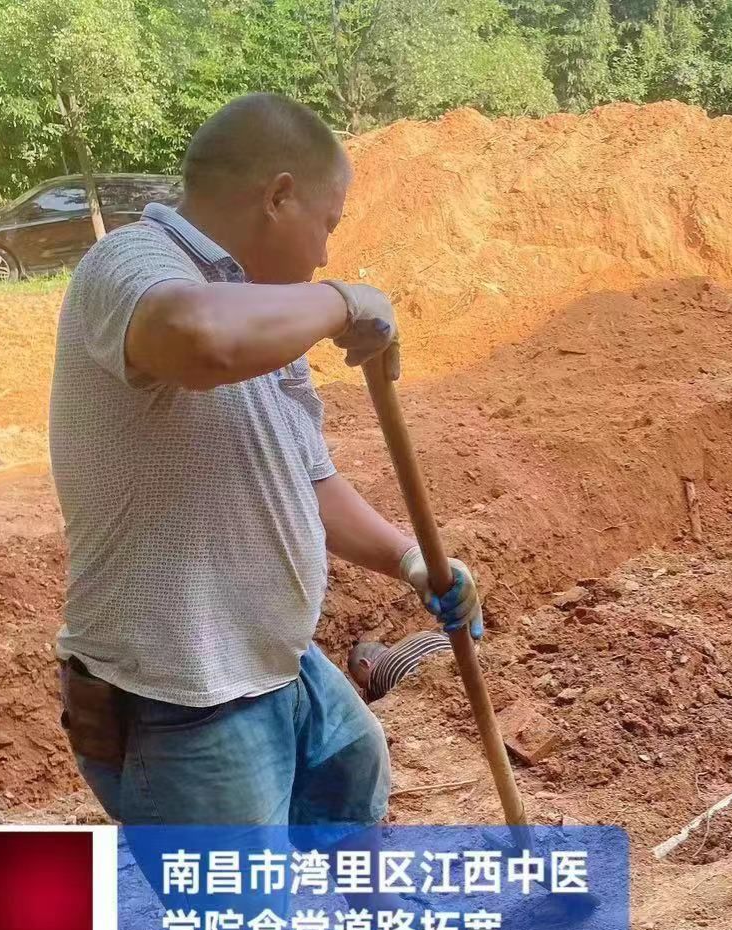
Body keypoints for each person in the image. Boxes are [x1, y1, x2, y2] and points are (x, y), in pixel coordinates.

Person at [49, 92, 482, 829]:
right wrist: (342, 301)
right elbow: (197, 339)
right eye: (327, 225)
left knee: (353, 777)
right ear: (279, 197)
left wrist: (412, 561)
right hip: (182, 698)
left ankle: (350, 906)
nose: (324, 255)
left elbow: (308, 479)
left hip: (278, 661)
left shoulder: (262, 312)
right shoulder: (126, 263)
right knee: (241, 907)